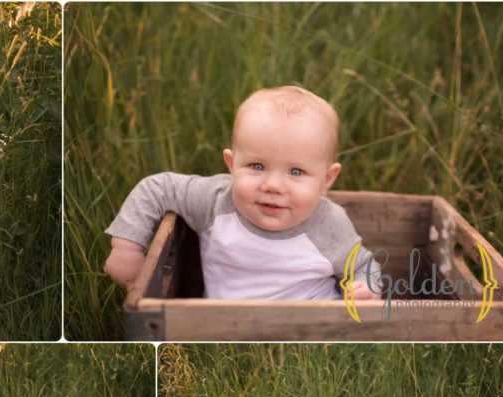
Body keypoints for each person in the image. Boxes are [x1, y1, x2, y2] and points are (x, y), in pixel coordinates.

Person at [104, 86, 380, 301]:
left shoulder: (328, 223)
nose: (273, 185)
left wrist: (366, 288)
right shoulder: (216, 200)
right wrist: (126, 247)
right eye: (256, 166)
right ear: (231, 164)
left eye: (296, 172)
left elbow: (362, 264)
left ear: (326, 179)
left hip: (313, 328)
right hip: (229, 329)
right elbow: (158, 187)